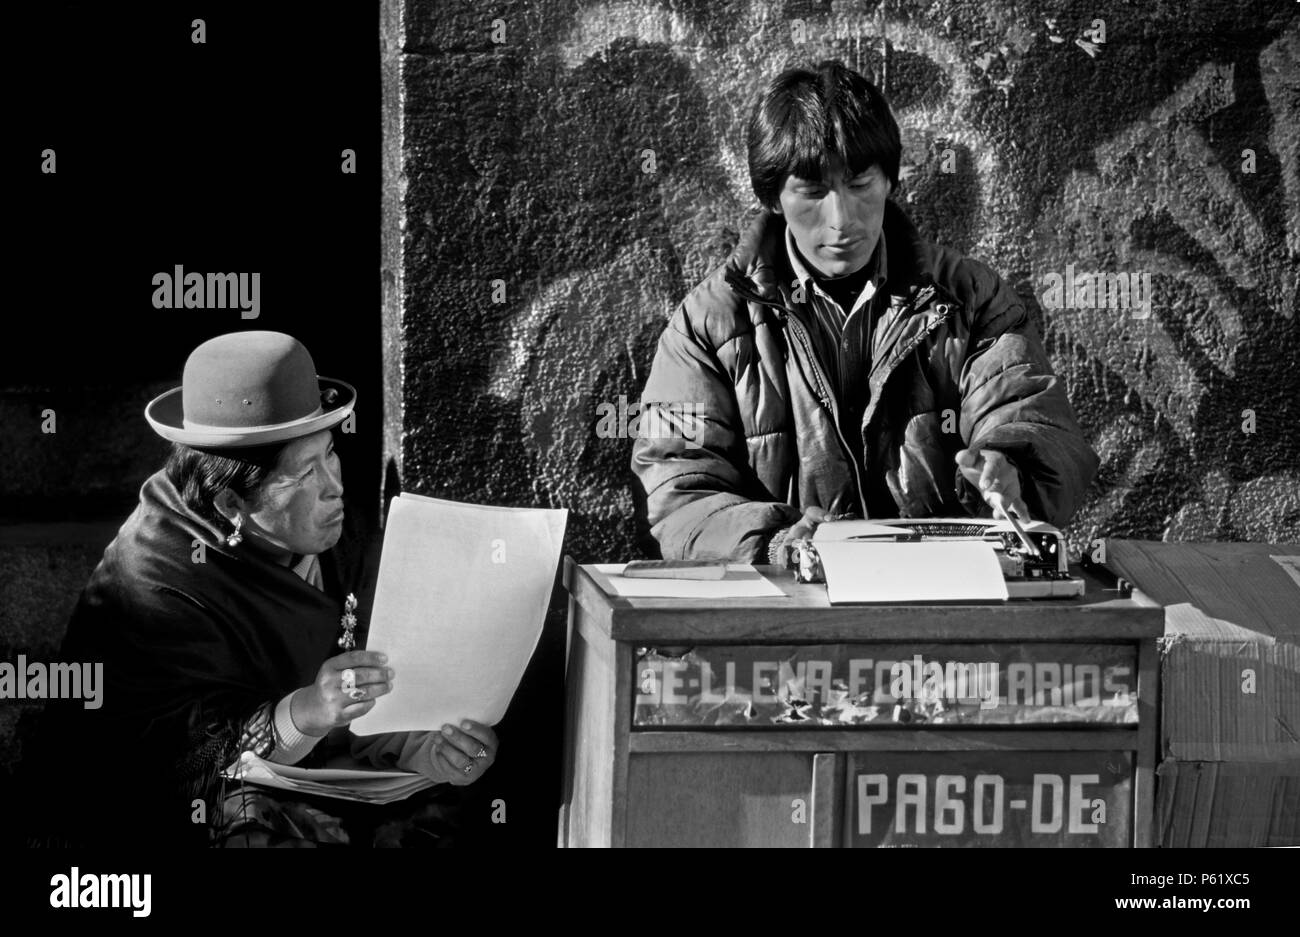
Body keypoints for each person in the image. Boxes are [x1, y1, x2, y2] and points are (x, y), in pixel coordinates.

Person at [21, 331, 498, 847]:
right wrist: (307, 711)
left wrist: (426, 750)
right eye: (302, 475)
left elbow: (374, 698)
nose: (333, 486)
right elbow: (169, 762)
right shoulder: (157, 581)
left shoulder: (338, 531)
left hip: (322, 777)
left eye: (330, 455)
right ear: (230, 505)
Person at [631, 61, 1099, 562]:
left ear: (890, 181)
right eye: (812, 191)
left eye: (859, 184)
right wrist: (779, 545)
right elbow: (680, 490)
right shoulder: (707, 325)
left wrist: (1011, 465)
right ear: (773, 197)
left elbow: (1038, 423)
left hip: (943, 606)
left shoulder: (969, 297)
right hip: (783, 615)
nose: (842, 219)